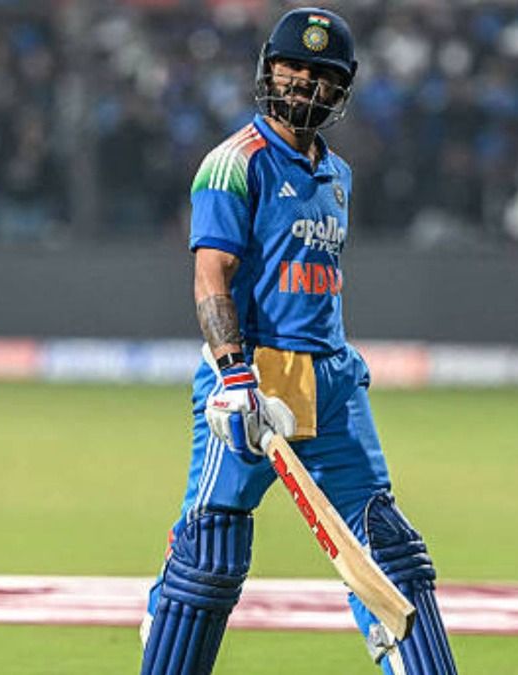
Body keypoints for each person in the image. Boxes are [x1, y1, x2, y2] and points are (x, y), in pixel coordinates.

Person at [139, 8, 458, 675]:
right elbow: (210, 275)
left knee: (387, 546)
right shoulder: (233, 164)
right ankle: (166, 610)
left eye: (321, 76)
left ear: (340, 93)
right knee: (212, 554)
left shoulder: (336, 175)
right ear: (267, 69)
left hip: (334, 380)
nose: (303, 84)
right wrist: (234, 376)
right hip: (255, 376)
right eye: (293, 68)